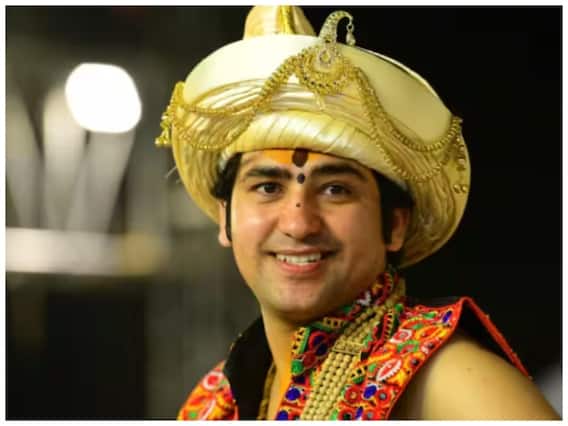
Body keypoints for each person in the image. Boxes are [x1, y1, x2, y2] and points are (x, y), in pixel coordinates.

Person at [155, 6, 558, 420]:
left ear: (395, 224)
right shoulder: (214, 402)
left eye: (335, 190)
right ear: (225, 218)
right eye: (268, 188)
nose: (298, 223)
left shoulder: (446, 379)